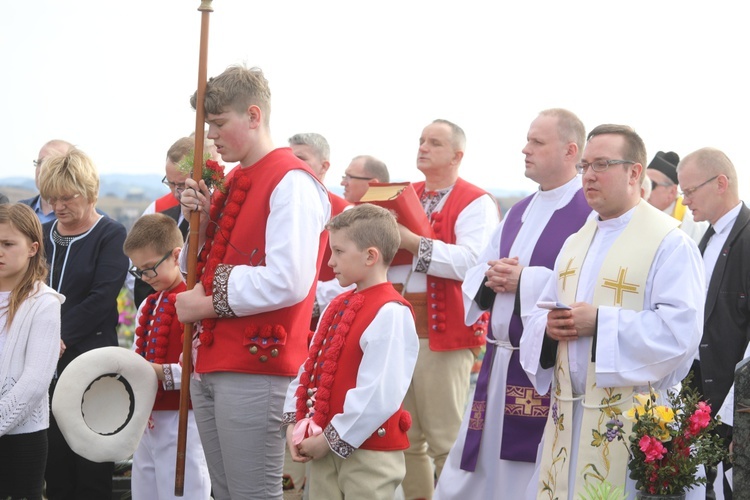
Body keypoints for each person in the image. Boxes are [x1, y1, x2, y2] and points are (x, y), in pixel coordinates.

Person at [520, 124, 704, 498]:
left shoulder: (670, 244)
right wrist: (549, 328)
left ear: (635, 172)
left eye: (601, 165)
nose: (588, 175)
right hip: (567, 418)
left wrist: (600, 323)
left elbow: (679, 334)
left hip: (630, 424)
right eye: (585, 165)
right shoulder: (576, 242)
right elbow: (544, 313)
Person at [175, 65, 330, 500]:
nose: (212, 137)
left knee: (252, 493)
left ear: (254, 115)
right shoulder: (234, 180)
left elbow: (289, 280)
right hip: (216, 359)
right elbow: (203, 264)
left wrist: (205, 304)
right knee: (225, 492)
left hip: (258, 364)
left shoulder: (292, 182)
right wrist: (200, 226)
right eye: (209, 126)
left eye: (220, 124)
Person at [435, 109, 591, 500]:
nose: (525, 149)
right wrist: (492, 276)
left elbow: (585, 285)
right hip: (497, 360)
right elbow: (478, 268)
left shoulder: (588, 213)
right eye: (527, 140)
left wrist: (525, 280)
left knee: (522, 477)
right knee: (471, 471)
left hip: (541, 367)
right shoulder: (518, 211)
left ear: (571, 150)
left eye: (537, 142)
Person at [388, 119, 499, 499]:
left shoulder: (476, 201)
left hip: (443, 334)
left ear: (457, 155)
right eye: (421, 140)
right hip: (398, 329)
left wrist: (412, 242)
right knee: (404, 436)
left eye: (434, 142)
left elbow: (474, 262)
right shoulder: (405, 193)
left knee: (445, 438)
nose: (423, 147)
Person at [283, 204, 419, 500]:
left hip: (368, 454)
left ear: (371, 256)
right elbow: (310, 367)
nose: (330, 262)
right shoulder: (336, 305)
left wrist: (332, 439)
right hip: (323, 445)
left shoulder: (391, 313)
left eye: (339, 252)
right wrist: (294, 422)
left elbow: (379, 392)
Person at [39, 147, 129, 499]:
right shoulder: (42, 234)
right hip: (44, 365)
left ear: (90, 191)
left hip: (90, 362)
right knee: (55, 466)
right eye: (52, 198)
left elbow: (101, 297)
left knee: (91, 466)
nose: (58, 206)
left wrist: (58, 336)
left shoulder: (111, 234)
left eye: (66, 197)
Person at [677, 147, 750, 499]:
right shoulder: (701, 237)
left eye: (690, 191)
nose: (685, 200)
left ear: (720, 183)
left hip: (730, 400)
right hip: (695, 393)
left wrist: (737, 410)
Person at [123, 214, 211, 500]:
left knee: (184, 491)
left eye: (150, 268)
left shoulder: (193, 299)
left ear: (176, 256)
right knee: (145, 490)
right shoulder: (149, 303)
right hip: (148, 418)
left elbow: (197, 367)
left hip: (183, 416)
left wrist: (151, 371)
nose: (146, 277)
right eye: (139, 271)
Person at [0, 203, 64, 500]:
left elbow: (35, 382)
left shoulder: (44, 303)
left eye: (8, 244)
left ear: (32, 248)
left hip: (22, 440)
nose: (0, 250)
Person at [289, 132, 352, 326]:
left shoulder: (345, 212)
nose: (292, 166)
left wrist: (311, 299)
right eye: (289, 159)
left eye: (301, 159)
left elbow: (355, 273)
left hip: (325, 321)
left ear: (324, 166)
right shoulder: (281, 204)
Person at [132, 136, 195, 309]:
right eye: (170, 184)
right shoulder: (161, 215)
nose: (176, 193)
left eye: (182, 184)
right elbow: (140, 275)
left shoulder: (218, 218)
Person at [647, 150, 708, 243]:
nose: (644, 189)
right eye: (643, 182)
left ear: (672, 192)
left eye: (651, 184)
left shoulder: (694, 226)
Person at [20, 140, 74, 223]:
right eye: (39, 163)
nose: (41, 170)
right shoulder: (19, 211)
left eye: (51, 163)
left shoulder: (93, 223)